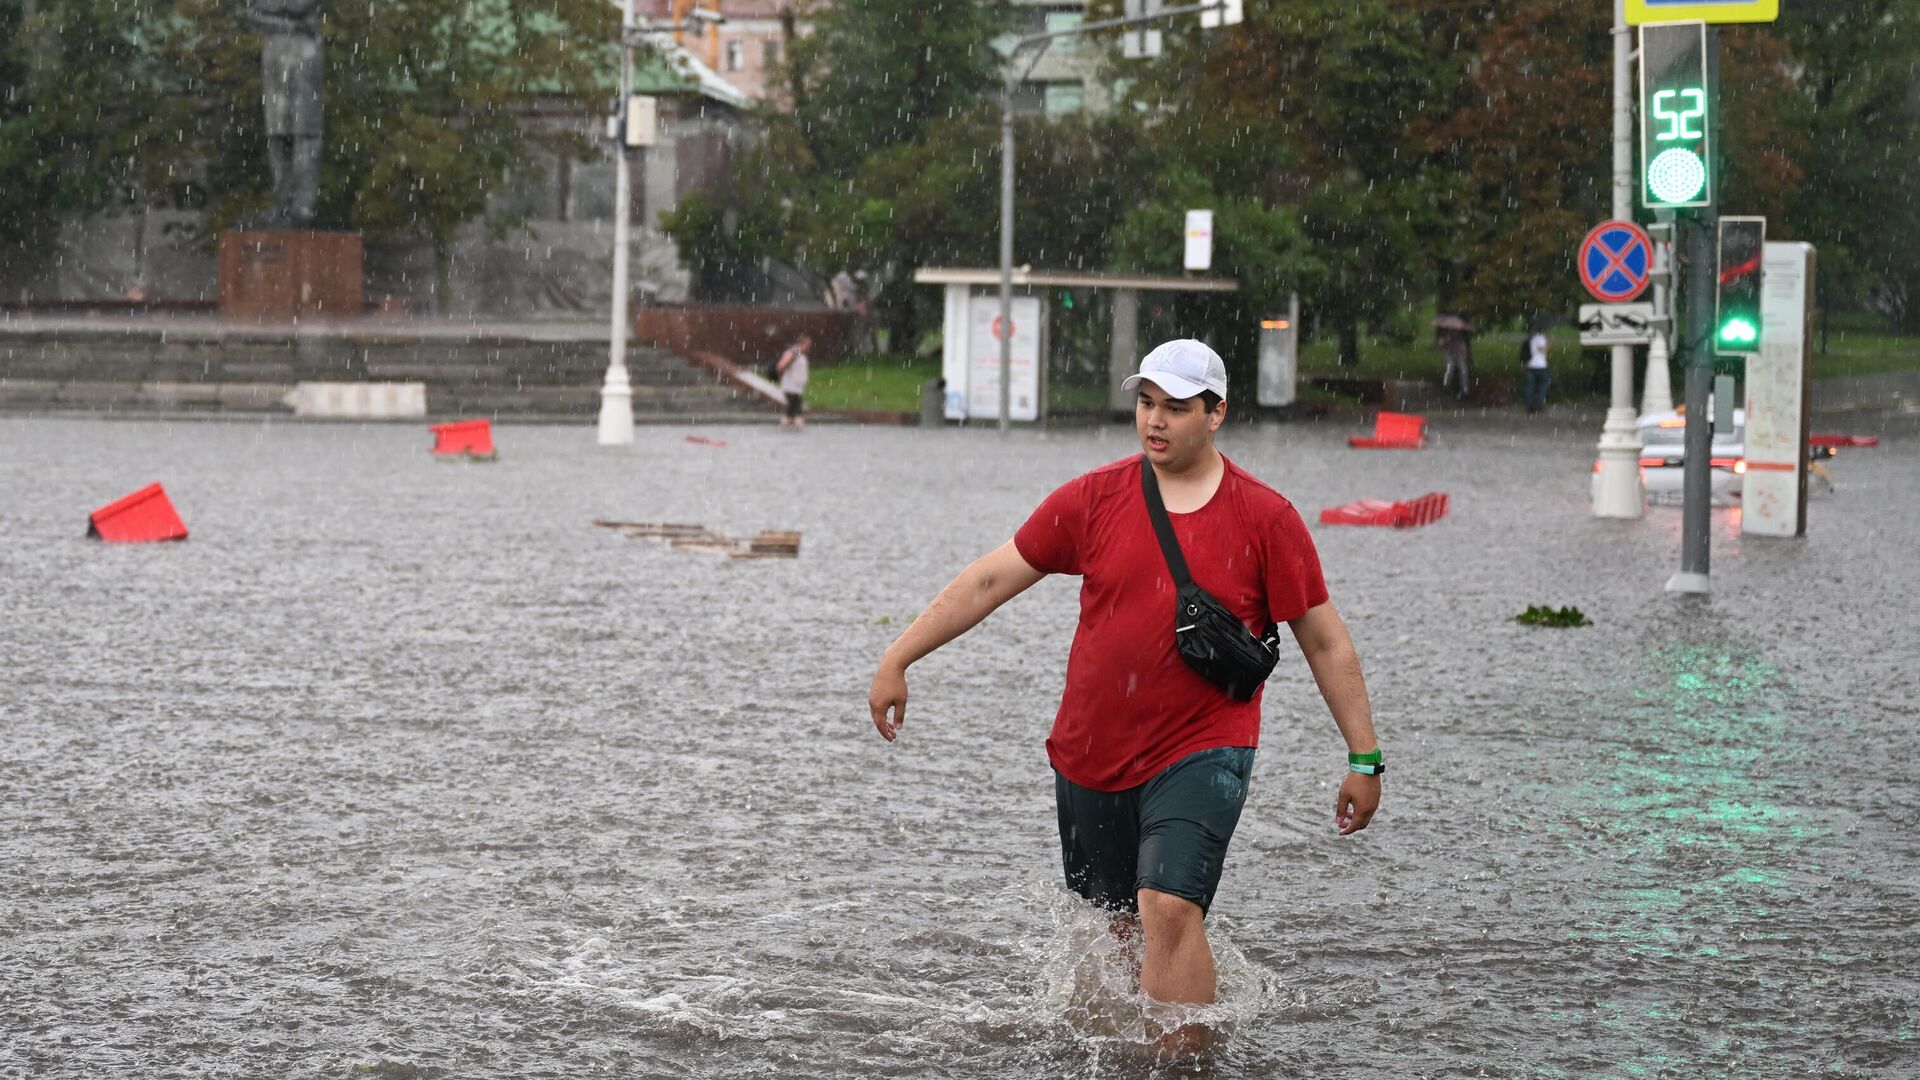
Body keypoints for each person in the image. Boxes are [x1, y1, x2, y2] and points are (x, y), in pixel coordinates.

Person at [866, 339, 1382, 1054]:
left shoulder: (1267, 518)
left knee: (1168, 905)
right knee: (1119, 929)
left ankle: (1182, 1064)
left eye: (1175, 406)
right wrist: (900, 656)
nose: (1155, 421)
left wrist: (1365, 755)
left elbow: (1324, 640)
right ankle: (1129, 1054)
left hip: (1204, 747)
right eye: (1146, 403)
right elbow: (991, 578)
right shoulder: (1094, 498)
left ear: (1218, 413)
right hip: (1091, 753)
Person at [250, 0, 325, 227]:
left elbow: (301, 5)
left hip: (305, 50)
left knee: (306, 130)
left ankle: (304, 203)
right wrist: (287, 23)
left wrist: (279, 13)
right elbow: (252, 12)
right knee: (278, 132)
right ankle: (281, 202)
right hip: (275, 53)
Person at [775, 334, 811, 430]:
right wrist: (786, 377)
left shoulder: (800, 354)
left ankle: (785, 425)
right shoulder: (793, 353)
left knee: (790, 410)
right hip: (791, 386)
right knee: (796, 409)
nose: (808, 348)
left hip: (797, 387)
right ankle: (798, 426)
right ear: (800, 343)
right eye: (807, 345)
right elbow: (780, 366)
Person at [1523, 324, 1551, 413]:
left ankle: (1529, 405)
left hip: (1530, 365)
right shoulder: (1541, 338)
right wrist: (1549, 344)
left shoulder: (1531, 338)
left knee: (1530, 386)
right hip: (1540, 366)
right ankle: (1538, 404)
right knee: (1543, 385)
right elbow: (1542, 350)